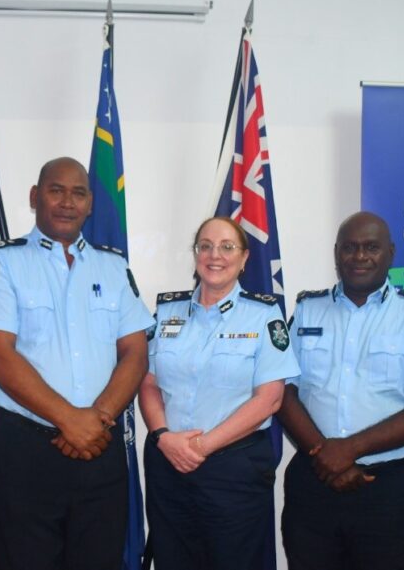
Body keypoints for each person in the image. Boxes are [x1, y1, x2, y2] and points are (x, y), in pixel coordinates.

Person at [0, 157, 153, 570]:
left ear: (90, 204)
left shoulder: (113, 267)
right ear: (35, 197)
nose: (68, 202)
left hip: (100, 445)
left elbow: (135, 352)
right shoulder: (2, 262)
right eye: (56, 191)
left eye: (78, 193)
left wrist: (96, 419)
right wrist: (70, 420)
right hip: (25, 451)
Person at [278, 211, 404, 570]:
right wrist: (324, 455)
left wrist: (349, 449)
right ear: (336, 253)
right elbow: (282, 392)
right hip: (314, 482)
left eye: (371, 248)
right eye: (350, 247)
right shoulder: (308, 310)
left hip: (386, 489)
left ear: (391, 253)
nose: (360, 256)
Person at [138, 216, 299, 570]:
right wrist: (163, 436)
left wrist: (201, 447)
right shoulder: (166, 312)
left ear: (244, 258)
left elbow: (270, 399)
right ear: (195, 254)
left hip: (233, 469)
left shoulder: (263, 315)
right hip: (168, 463)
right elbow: (148, 382)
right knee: (172, 560)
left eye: (227, 247)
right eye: (206, 246)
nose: (215, 255)